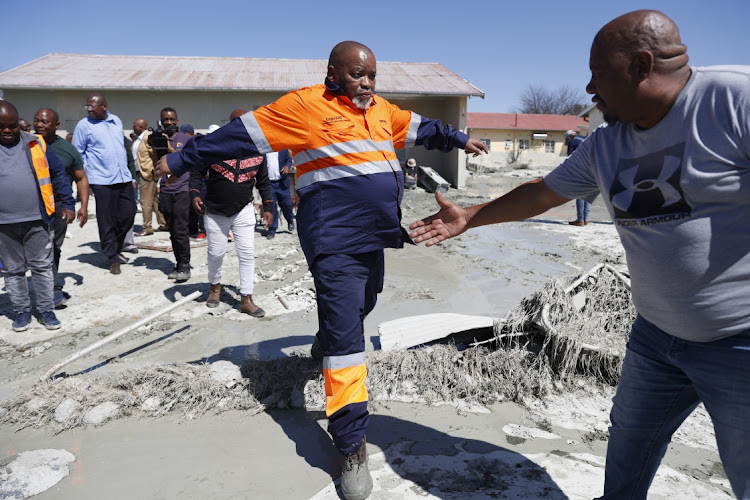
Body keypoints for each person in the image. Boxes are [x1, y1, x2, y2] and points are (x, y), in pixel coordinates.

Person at [410, 10, 749, 500]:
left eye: (599, 73)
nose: (590, 89)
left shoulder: (733, 102)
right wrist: (471, 216)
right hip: (655, 340)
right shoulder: (606, 143)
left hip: (738, 345)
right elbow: (540, 194)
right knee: (628, 446)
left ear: (642, 65)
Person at [155, 40, 488, 500]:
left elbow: (423, 127)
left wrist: (460, 138)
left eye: (372, 75)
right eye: (357, 75)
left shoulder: (381, 110)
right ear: (332, 72)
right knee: (349, 343)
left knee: (365, 302)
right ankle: (351, 445)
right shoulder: (304, 106)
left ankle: (325, 339)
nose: (366, 83)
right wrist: (177, 159)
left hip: (376, 237)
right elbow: (236, 137)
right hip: (333, 241)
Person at [0, 101, 75, 331]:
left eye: (12, 125)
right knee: (13, 270)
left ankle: (46, 310)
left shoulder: (36, 143)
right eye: (2, 126)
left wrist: (69, 202)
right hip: (4, 223)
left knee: (42, 266)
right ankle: (21, 312)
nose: (7, 130)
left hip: (38, 218)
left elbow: (58, 173)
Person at [189, 114, 273, 315]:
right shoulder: (215, 146)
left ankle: (246, 297)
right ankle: (215, 288)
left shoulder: (258, 150)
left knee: (247, 254)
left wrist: (269, 207)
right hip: (215, 210)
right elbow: (196, 171)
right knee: (216, 253)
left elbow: (263, 181)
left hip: (243, 209)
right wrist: (194, 194)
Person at [72, 93, 137, 275]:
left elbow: (122, 148)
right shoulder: (83, 126)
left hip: (122, 177)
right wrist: (86, 177)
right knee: (106, 219)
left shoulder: (116, 120)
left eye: (93, 107)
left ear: (104, 107)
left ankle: (115, 247)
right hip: (101, 179)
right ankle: (112, 257)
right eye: (87, 107)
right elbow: (78, 154)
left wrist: (131, 176)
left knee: (128, 214)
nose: (90, 110)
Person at [33, 108, 90, 308]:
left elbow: (81, 178)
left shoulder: (67, 149)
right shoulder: (27, 145)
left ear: (56, 126)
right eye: (37, 120)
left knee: (53, 248)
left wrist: (82, 206)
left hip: (58, 206)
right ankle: (45, 287)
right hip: (31, 205)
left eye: (45, 122)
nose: (39, 124)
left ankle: (53, 289)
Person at [156, 107, 193, 281]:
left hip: (182, 189)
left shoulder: (185, 139)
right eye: (165, 120)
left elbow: (186, 159)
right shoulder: (159, 140)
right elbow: (156, 164)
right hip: (165, 190)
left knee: (180, 229)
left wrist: (170, 148)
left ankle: (185, 266)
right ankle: (179, 263)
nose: (169, 123)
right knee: (171, 230)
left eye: (171, 119)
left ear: (177, 121)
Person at [132, 118, 167, 236]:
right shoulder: (138, 139)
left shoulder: (148, 137)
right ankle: (163, 223)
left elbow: (155, 152)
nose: (133, 127)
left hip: (147, 173)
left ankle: (147, 227)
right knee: (154, 201)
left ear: (141, 127)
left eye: (135, 126)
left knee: (145, 201)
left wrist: (154, 169)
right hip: (140, 172)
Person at [265, 149, 295, 239]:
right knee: (271, 206)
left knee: (287, 204)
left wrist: (287, 166)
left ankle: (290, 220)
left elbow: (289, 160)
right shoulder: (263, 151)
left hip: (282, 182)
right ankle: (272, 229)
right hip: (269, 184)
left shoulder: (282, 149)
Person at [564, 130, 589, 226]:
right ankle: (585, 219)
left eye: (567, 140)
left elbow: (570, 158)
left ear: (569, 137)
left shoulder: (572, 141)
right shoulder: (585, 138)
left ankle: (580, 220)